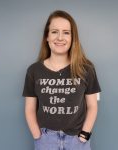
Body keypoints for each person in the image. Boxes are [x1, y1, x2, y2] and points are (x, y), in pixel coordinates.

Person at [23, 10, 101, 150]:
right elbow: (29, 108)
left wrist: (84, 135)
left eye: (66, 32)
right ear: (47, 36)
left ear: (73, 38)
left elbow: (92, 106)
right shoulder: (34, 70)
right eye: (54, 32)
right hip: (46, 139)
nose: (60, 37)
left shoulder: (86, 69)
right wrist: (37, 136)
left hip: (77, 140)